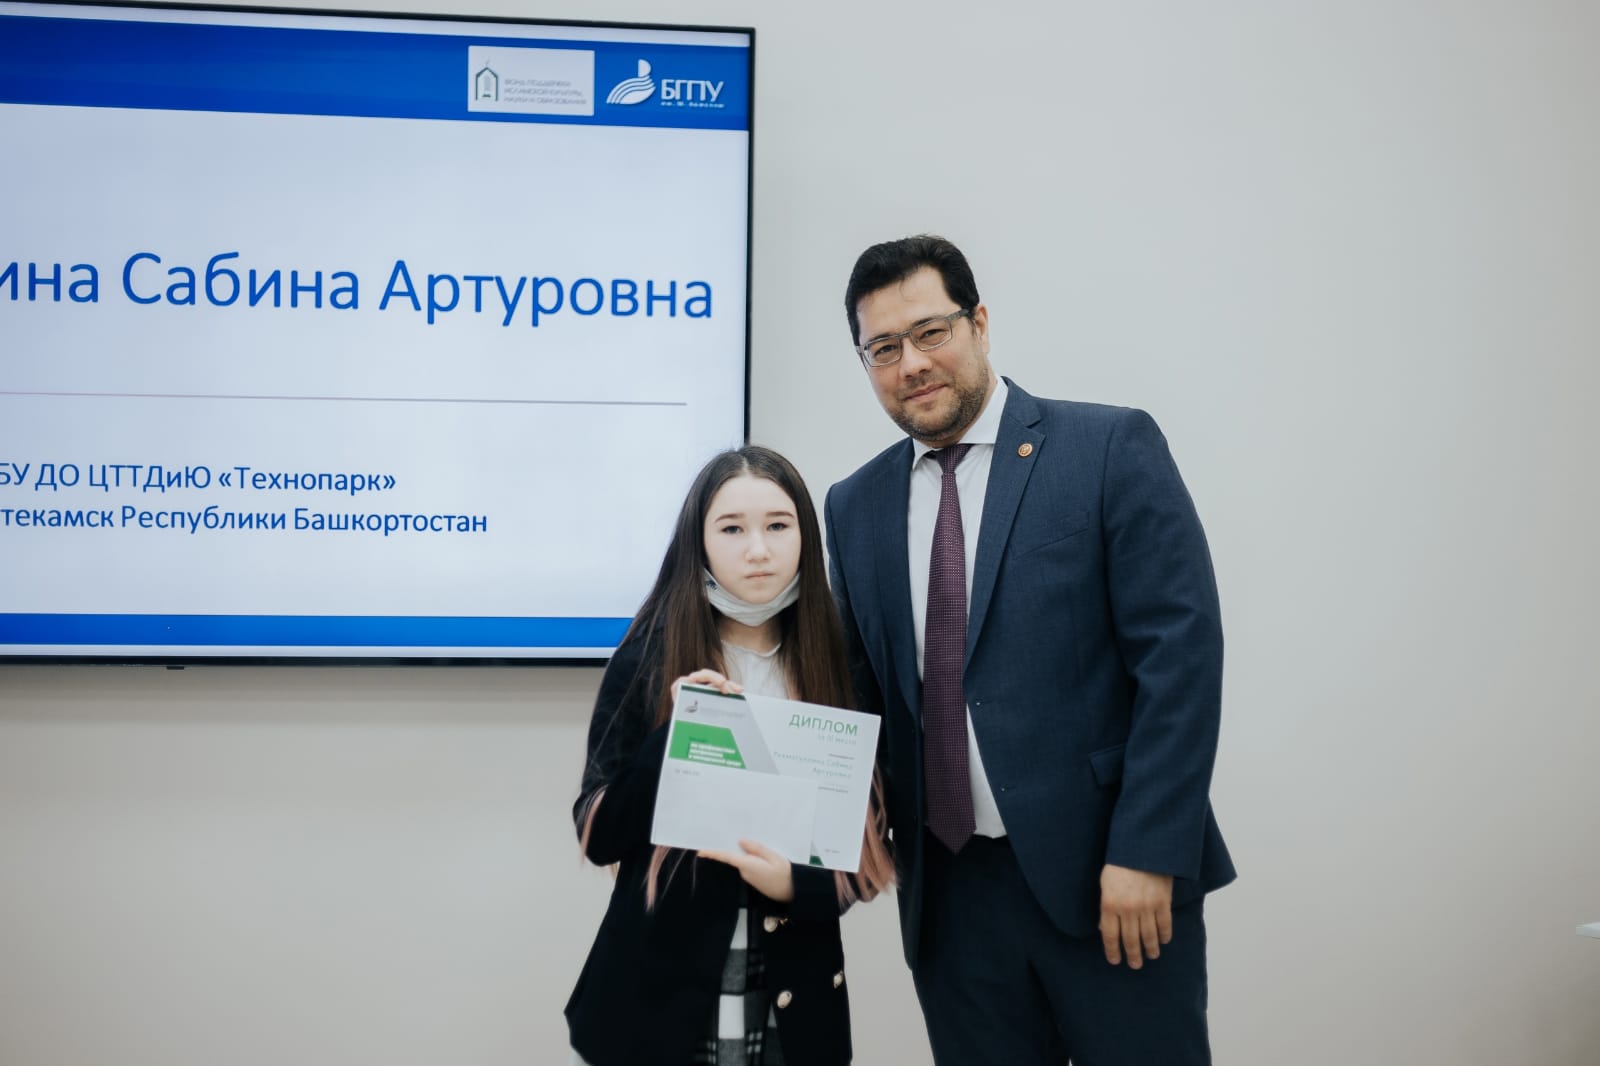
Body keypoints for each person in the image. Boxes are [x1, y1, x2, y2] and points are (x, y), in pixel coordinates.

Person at [823, 235, 1236, 1065]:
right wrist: (839, 820)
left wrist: (1147, 850)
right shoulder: (853, 504)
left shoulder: (1107, 448)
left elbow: (1180, 659)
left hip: (1111, 878)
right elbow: (863, 694)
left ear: (978, 323)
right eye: (884, 348)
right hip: (952, 902)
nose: (911, 364)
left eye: (930, 332)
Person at [566, 445, 893, 1066]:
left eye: (778, 525)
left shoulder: (842, 657)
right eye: (732, 529)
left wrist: (795, 884)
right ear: (700, 541)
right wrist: (674, 737)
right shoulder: (649, 652)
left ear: (805, 534)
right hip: (657, 996)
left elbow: (870, 844)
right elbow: (597, 835)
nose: (758, 550)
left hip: (792, 992)